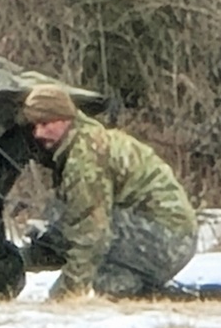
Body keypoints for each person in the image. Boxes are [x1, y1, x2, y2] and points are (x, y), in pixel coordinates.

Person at [18, 84, 198, 300]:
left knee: (65, 218)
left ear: (64, 118)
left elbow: (91, 231)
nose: (38, 133)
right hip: (166, 240)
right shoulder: (87, 141)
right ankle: (153, 293)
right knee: (106, 285)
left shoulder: (85, 157)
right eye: (35, 126)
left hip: (167, 237)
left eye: (45, 124)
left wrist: (66, 293)